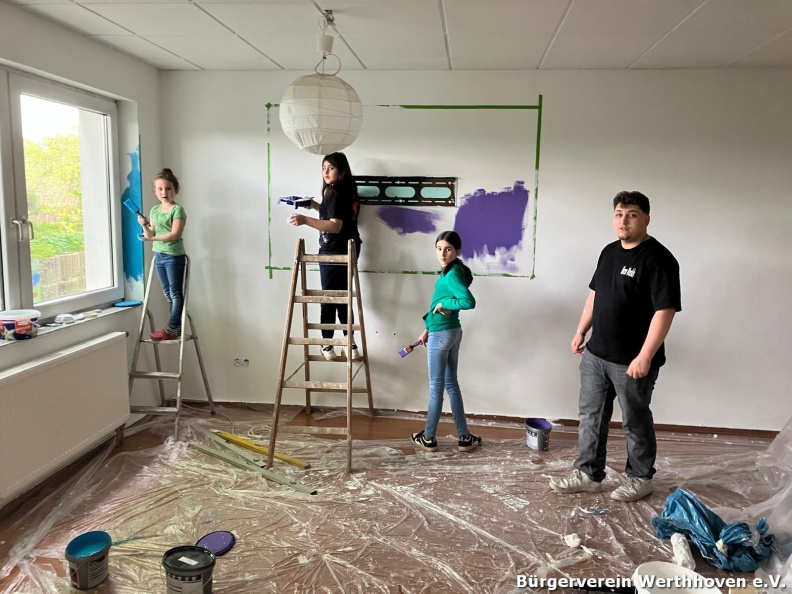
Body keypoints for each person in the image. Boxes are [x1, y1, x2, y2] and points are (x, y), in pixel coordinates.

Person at [550, 191, 681, 502]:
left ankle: (640, 478)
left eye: (632, 214)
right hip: (596, 355)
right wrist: (581, 330)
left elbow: (665, 311)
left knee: (635, 420)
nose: (624, 220)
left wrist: (645, 355)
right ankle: (588, 474)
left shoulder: (659, 259)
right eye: (619, 214)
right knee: (591, 416)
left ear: (646, 219)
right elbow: (595, 295)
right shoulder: (609, 252)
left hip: (632, 361)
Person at [411, 231, 481, 454]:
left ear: (457, 251)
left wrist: (444, 306)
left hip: (443, 335)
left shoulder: (451, 274)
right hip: (450, 332)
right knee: (451, 385)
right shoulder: (451, 271)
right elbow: (438, 303)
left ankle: (428, 438)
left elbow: (468, 301)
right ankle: (465, 437)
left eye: (448, 249)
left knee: (436, 389)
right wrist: (427, 329)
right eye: (439, 248)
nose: (442, 253)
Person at [288, 152, 362, 360]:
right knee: (341, 296)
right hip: (349, 246)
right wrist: (314, 206)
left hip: (334, 249)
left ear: (341, 170)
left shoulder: (336, 191)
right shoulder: (348, 190)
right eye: (323, 168)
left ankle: (327, 344)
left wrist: (305, 220)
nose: (326, 172)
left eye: (331, 168)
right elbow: (335, 214)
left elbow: (334, 226)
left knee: (328, 297)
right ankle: (349, 343)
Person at [137, 168, 187, 342]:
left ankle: (172, 328)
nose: (164, 192)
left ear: (176, 190)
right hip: (158, 255)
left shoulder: (177, 210)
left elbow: (175, 235)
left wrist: (152, 239)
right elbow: (151, 233)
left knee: (175, 293)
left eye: (168, 188)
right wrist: (144, 225)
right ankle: (175, 328)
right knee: (168, 293)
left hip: (174, 256)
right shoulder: (154, 210)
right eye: (160, 189)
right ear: (155, 191)